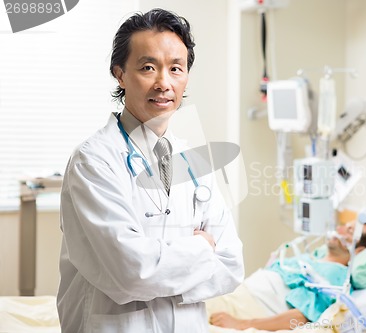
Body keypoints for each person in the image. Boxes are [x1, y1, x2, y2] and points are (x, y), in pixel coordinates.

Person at [57, 9, 244, 333]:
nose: (164, 83)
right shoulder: (94, 161)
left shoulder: (195, 161)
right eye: (148, 67)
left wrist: (159, 266)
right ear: (120, 74)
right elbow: (131, 272)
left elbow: (231, 266)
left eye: (176, 68)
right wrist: (202, 248)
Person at [209, 221, 366, 331]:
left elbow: (301, 317)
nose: (340, 230)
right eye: (344, 225)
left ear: (359, 250)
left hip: (247, 311)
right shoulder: (311, 258)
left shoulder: (336, 275)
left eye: (349, 231)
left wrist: (241, 324)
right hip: (235, 295)